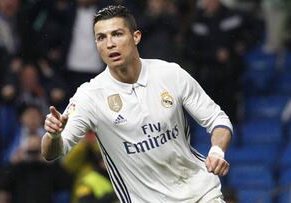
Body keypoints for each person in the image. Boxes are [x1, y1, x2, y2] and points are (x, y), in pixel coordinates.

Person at [42, 5, 232, 203]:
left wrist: (217, 151)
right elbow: (53, 152)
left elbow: (217, 119)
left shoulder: (170, 74)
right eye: (101, 38)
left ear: (136, 37)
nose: (109, 44)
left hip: (201, 193)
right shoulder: (90, 96)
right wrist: (53, 135)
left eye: (117, 34)